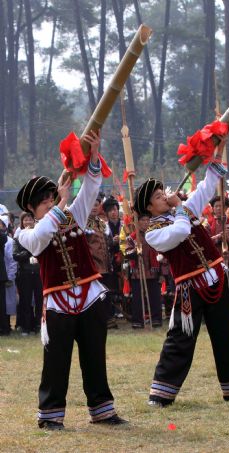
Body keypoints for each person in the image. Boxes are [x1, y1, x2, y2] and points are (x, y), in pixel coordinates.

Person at [16, 130, 127, 430]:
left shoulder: (72, 215)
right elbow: (40, 239)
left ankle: (102, 410)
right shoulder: (25, 232)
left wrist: (92, 155)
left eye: (51, 197)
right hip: (58, 303)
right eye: (44, 202)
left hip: (90, 295)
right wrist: (60, 205)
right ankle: (51, 415)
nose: (51, 203)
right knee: (56, 361)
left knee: (95, 355)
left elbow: (91, 188)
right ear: (31, 210)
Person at [134, 160, 229, 407]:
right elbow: (179, 233)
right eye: (159, 197)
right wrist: (179, 207)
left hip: (216, 280)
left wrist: (215, 153)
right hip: (190, 290)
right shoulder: (153, 232)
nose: (164, 197)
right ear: (149, 207)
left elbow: (206, 187)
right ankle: (161, 394)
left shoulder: (186, 208)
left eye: (163, 193)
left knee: (224, 336)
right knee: (181, 339)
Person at [85, 196, 117, 329]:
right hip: (92, 267)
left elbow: (108, 242)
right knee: (94, 296)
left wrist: (114, 241)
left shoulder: (102, 223)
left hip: (105, 266)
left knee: (106, 294)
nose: (94, 207)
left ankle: (107, 320)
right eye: (91, 204)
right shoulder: (82, 222)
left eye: (96, 204)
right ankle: (95, 321)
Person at [125, 214, 162, 328]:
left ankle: (156, 319)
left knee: (155, 297)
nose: (146, 222)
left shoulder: (155, 235)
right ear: (137, 221)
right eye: (143, 220)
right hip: (138, 272)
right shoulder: (132, 237)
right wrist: (136, 251)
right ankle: (138, 320)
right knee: (137, 298)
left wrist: (162, 273)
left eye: (147, 220)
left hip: (153, 272)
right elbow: (126, 253)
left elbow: (161, 252)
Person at [206, 195, 229, 317]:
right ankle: (216, 315)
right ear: (213, 208)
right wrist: (219, 237)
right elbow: (206, 242)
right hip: (215, 263)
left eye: (222, 206)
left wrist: (228, 239)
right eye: (217, 206)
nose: (219, 208)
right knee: (216, 289)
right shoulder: (208, 224)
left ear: (226, 207)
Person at [13, 212, 43, 335]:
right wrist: (29, 251)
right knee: (25, 301)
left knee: (40, 301)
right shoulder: (17, 238)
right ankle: (26, 327)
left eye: (30, 219)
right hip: (24, 274)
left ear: (34, 221)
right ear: (22, 222)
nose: (28, 222)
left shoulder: (40, 237)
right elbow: (15, 255)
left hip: (39, 273)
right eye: (25, 220)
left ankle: (39, 325)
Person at [0, 215, 17, 335]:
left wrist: (10, 276)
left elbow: (12, 260)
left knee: (4, 304)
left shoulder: (5, 239)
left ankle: (4, 328)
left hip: (3, 276)